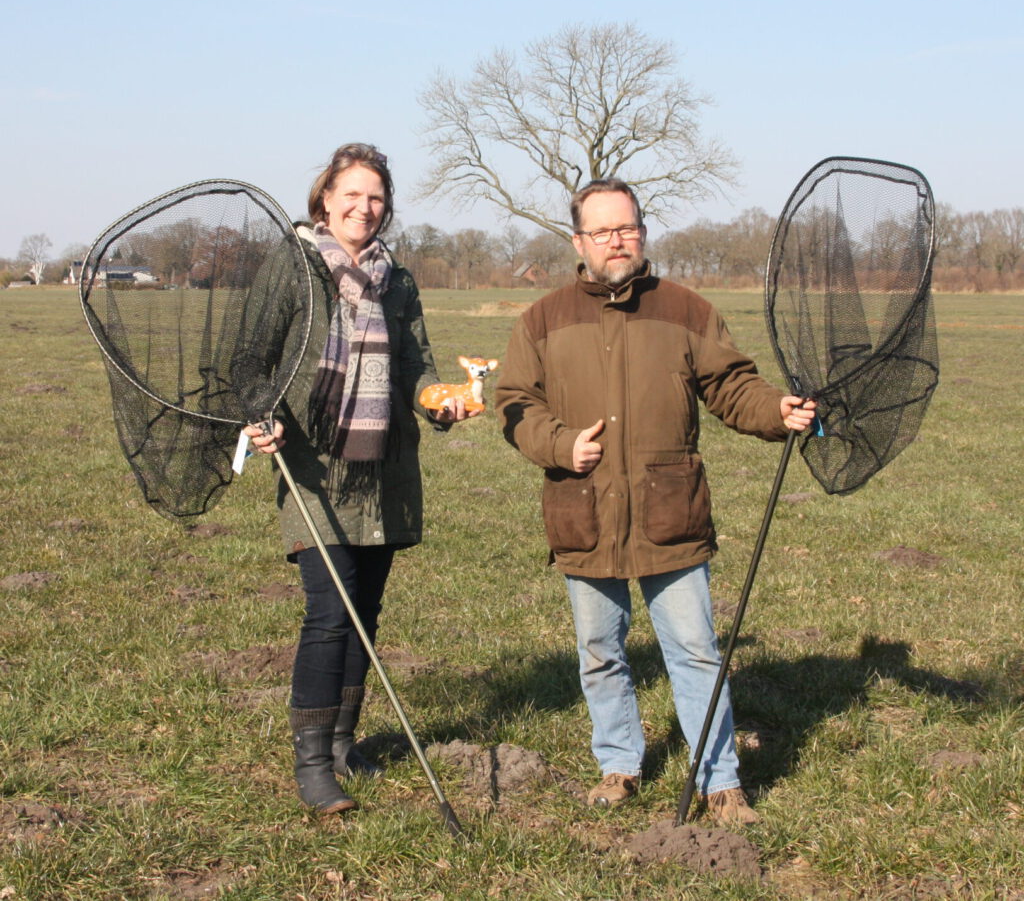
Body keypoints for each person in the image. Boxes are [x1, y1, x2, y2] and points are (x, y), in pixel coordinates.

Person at [495, 178, 816, 824]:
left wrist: (776, 411)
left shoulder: (686, 310)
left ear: (642, 232)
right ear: (579, 241)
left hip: (670, 514)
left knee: (696, 650)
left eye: (628, 227)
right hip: (582, 514)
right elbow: (512, 403)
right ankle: (619, 764)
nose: (618, 241)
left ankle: (718, 779)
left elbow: (732, 385)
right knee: (601, 654)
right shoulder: (542, 320)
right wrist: (560, 446)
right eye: (603, 231)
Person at [244, 143, 475, 815]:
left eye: (376, 197)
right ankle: (312, 763)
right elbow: (250, 362)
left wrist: (440, 400)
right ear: (325, 198)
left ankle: (344, 742)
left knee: (365, 615)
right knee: (329, 615)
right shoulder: (294, 269)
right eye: (352, 194)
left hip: (386, 471)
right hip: (315, 468)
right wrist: (260, 415)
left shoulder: (397, 282)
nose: (364, 207)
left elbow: (416, 365)